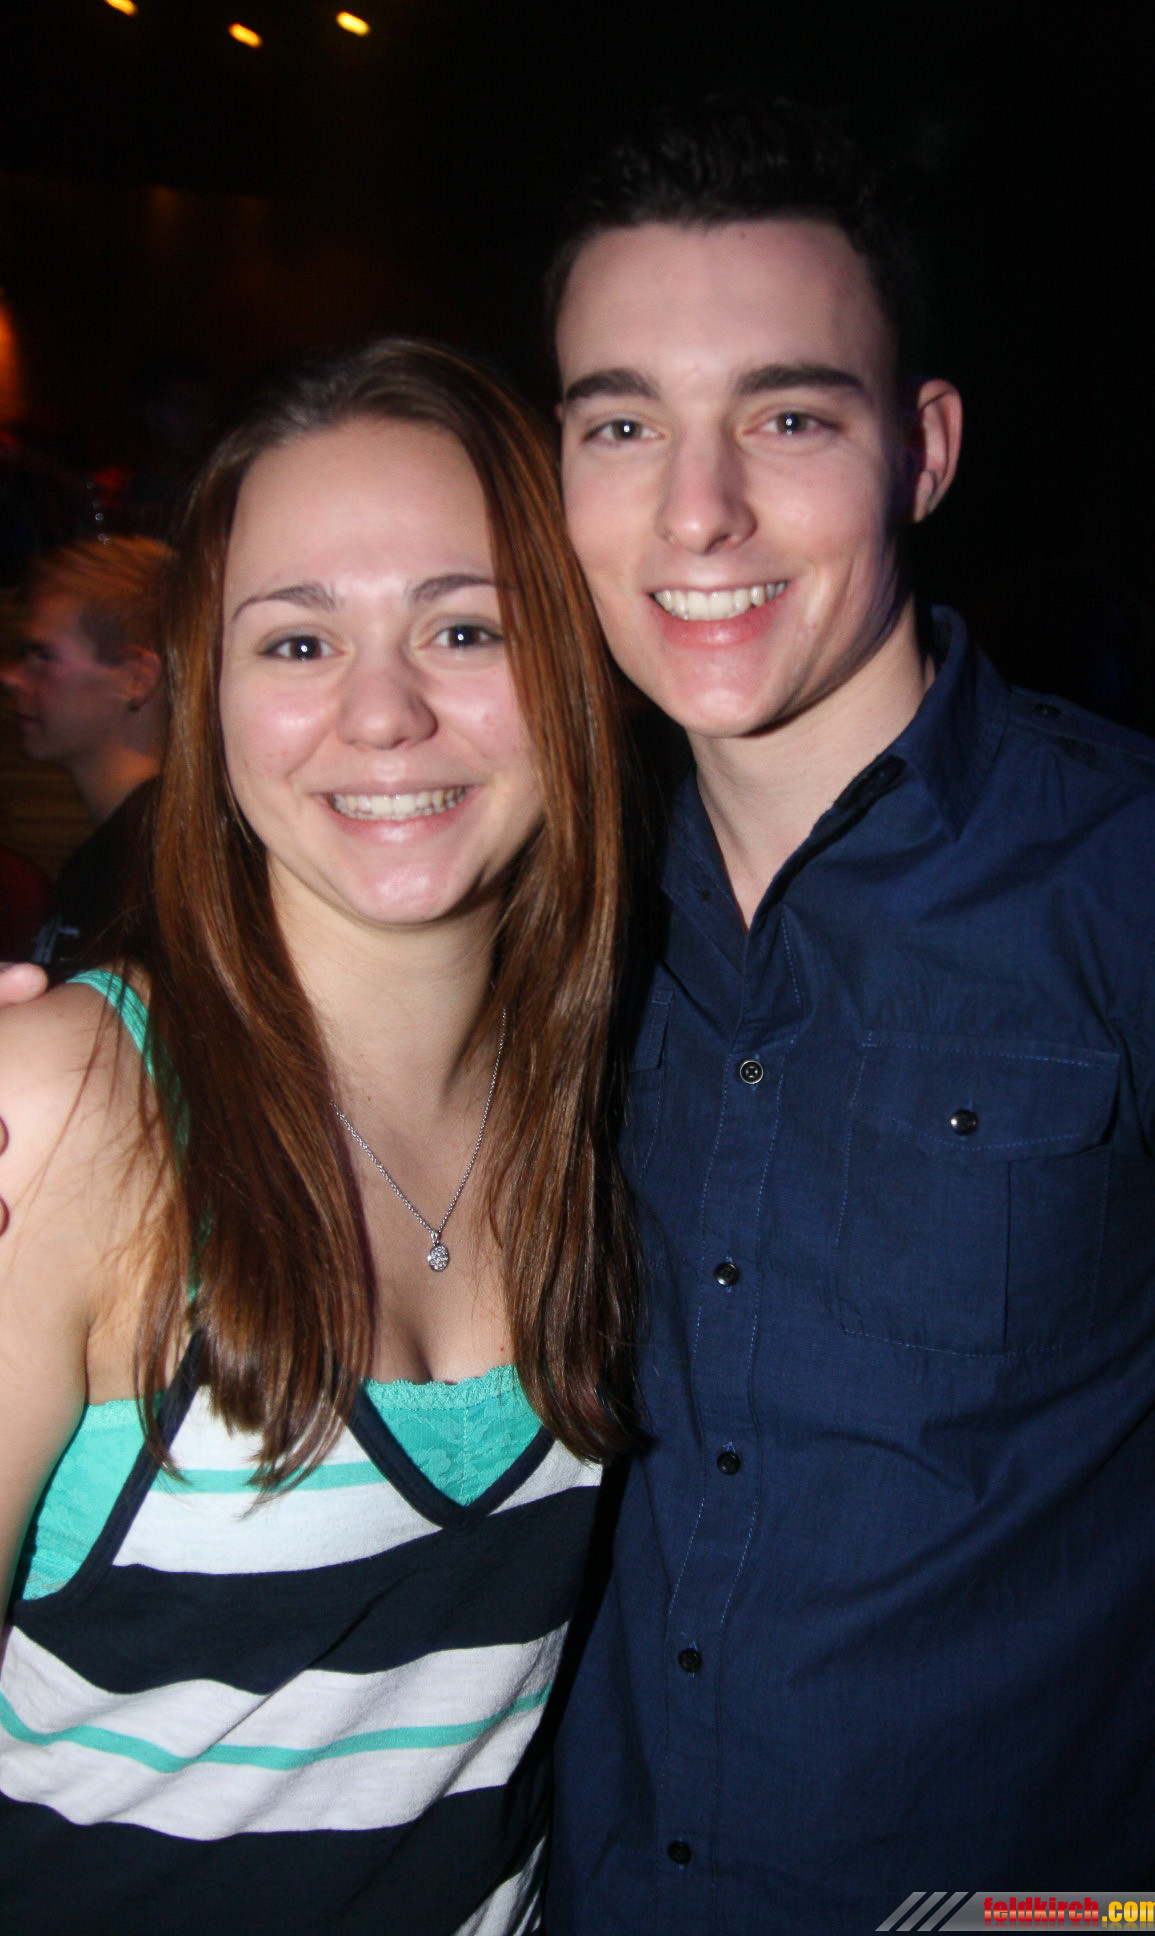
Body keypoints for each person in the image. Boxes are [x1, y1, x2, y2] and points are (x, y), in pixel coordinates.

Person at [540, 101, 1155, 1928]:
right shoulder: (547, 893)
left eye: (787, 418)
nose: (695, 510)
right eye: (621, 424)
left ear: (925, 450)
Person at [0, 339, 636, 1933]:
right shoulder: (71, 1110)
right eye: (298, 640)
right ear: (207, 700)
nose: (385, 712)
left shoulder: (613, 1100)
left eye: (465, 627)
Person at [0, 535, 169, 981]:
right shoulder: (104, 857)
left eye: (44, 656)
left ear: (137, 680)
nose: (11, 677)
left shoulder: (158, 867)